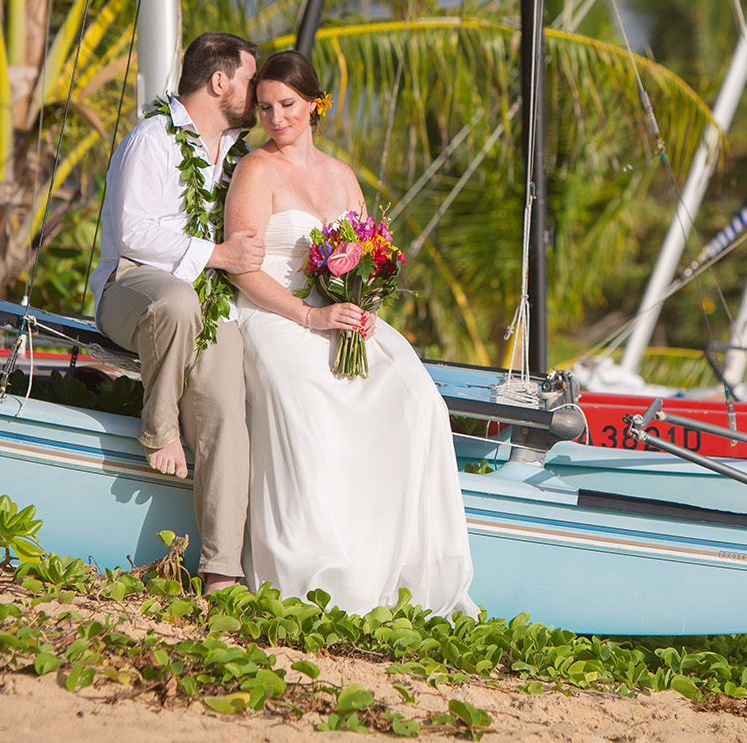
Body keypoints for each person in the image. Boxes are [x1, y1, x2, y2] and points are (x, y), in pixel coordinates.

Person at [223, 50, 475, 617]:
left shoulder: (342, 175)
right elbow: (243, 268)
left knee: (417, 400)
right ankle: (316, 572)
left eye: (286, 104)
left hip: (343, 317)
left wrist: (361, 304)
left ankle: (398, 569)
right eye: (264, 107)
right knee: (305, 397)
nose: (275, 118)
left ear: (314, 103)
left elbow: (370, 251)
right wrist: (311, 317)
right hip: (279, 316)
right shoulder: (254, 170)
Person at [90, 32, 265, 595]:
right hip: (131, 290)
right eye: (251, 80)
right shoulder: (154, 139)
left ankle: (220, 572)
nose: (257, 92)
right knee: (176, 299)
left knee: (225, 415)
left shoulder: (234, 157)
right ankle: (159, 427)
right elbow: (135, 229)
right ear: (220, 82)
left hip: (204, 306)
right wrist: (217, 255)